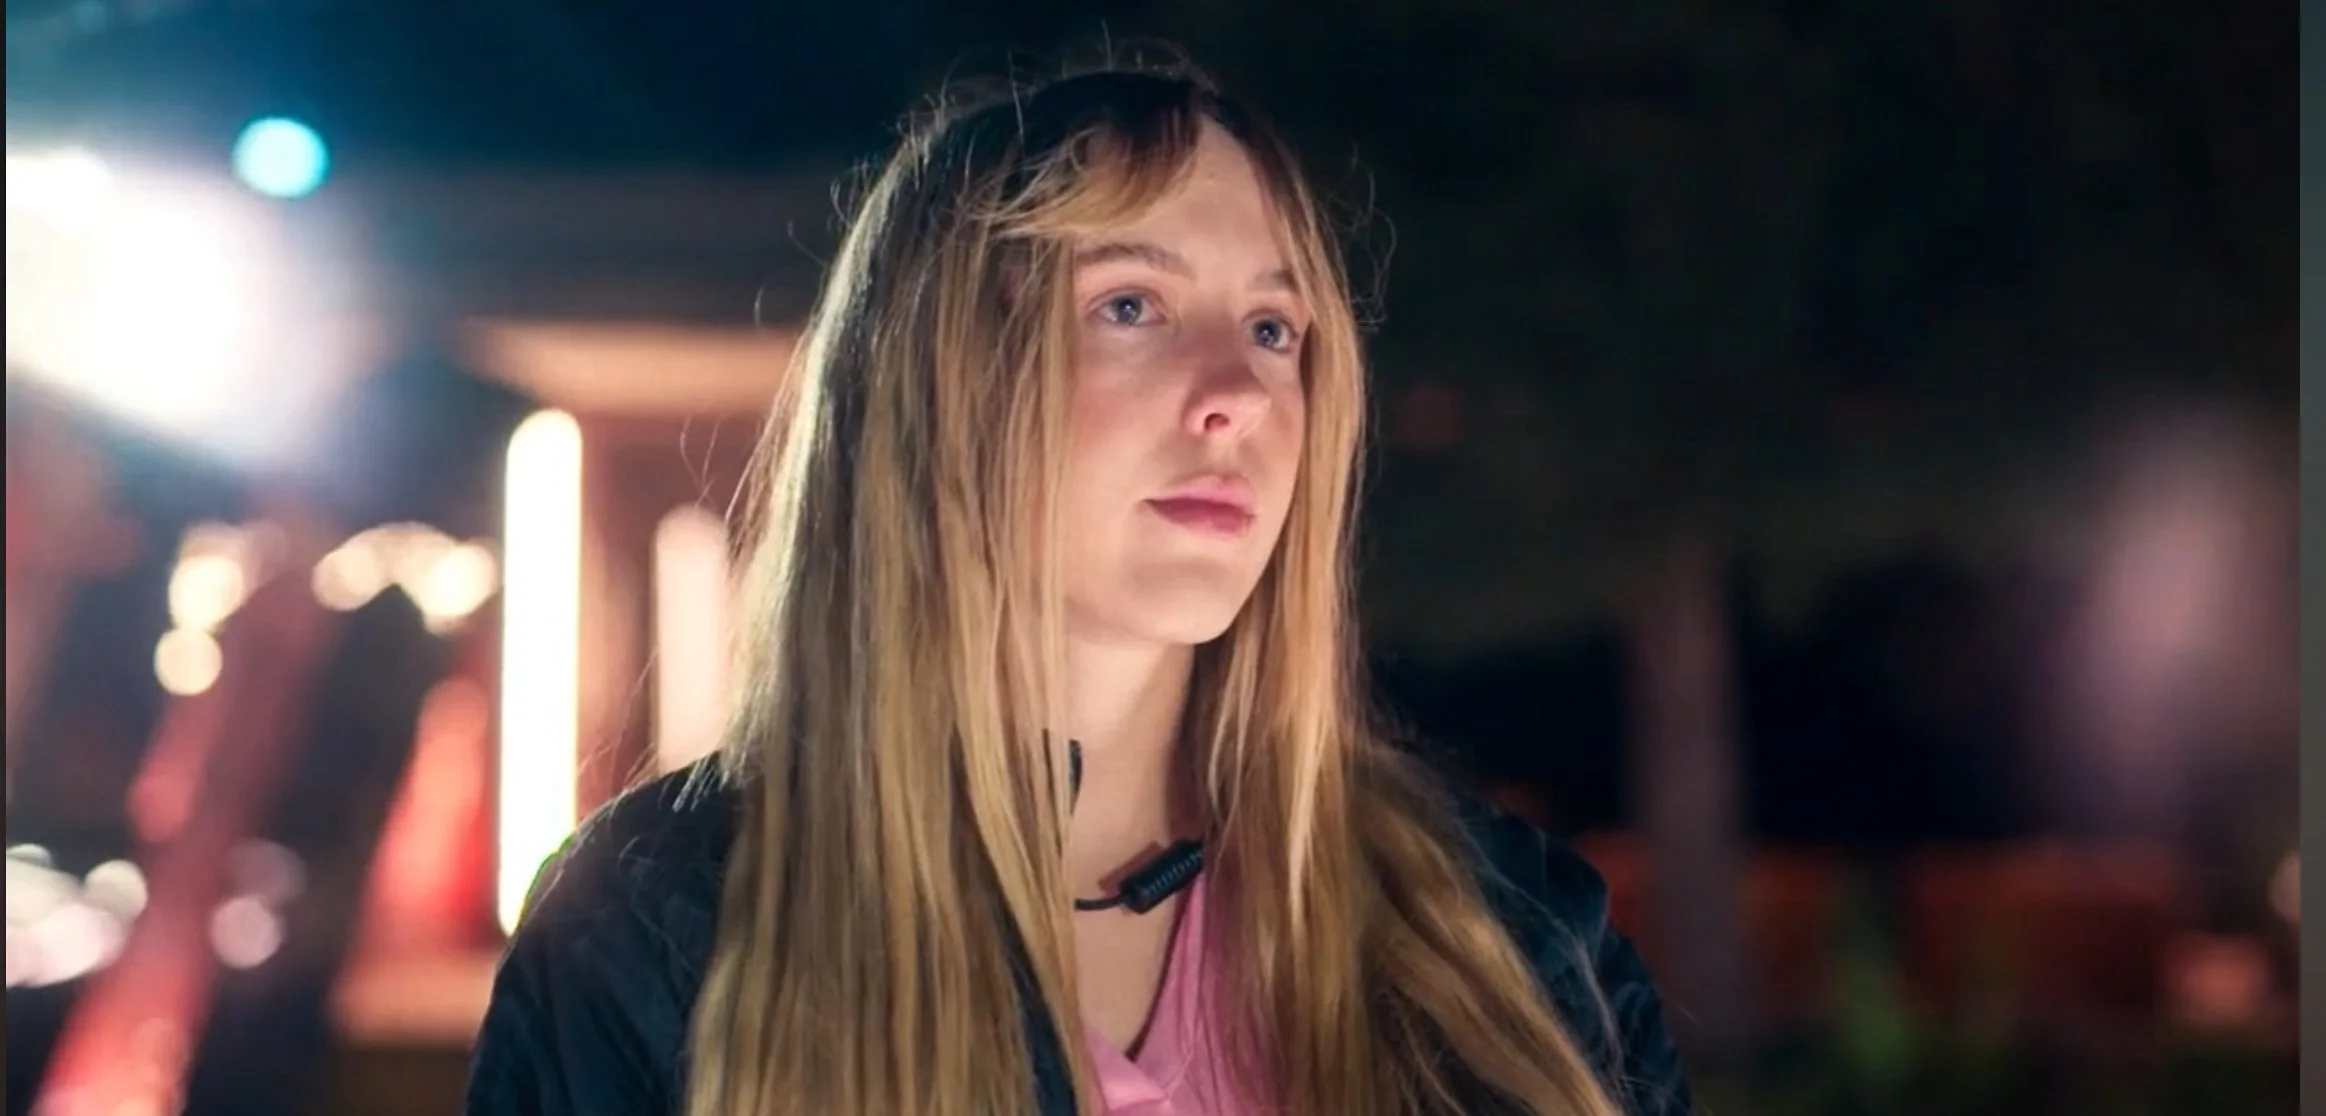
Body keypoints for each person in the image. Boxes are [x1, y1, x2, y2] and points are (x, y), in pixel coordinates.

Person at [464, 63, 1693, 1116]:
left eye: (1274, 329)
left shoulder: (1512, 941)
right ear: (938, 385)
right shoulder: (658, 937)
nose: (1238, 392)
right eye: (1131, 306)